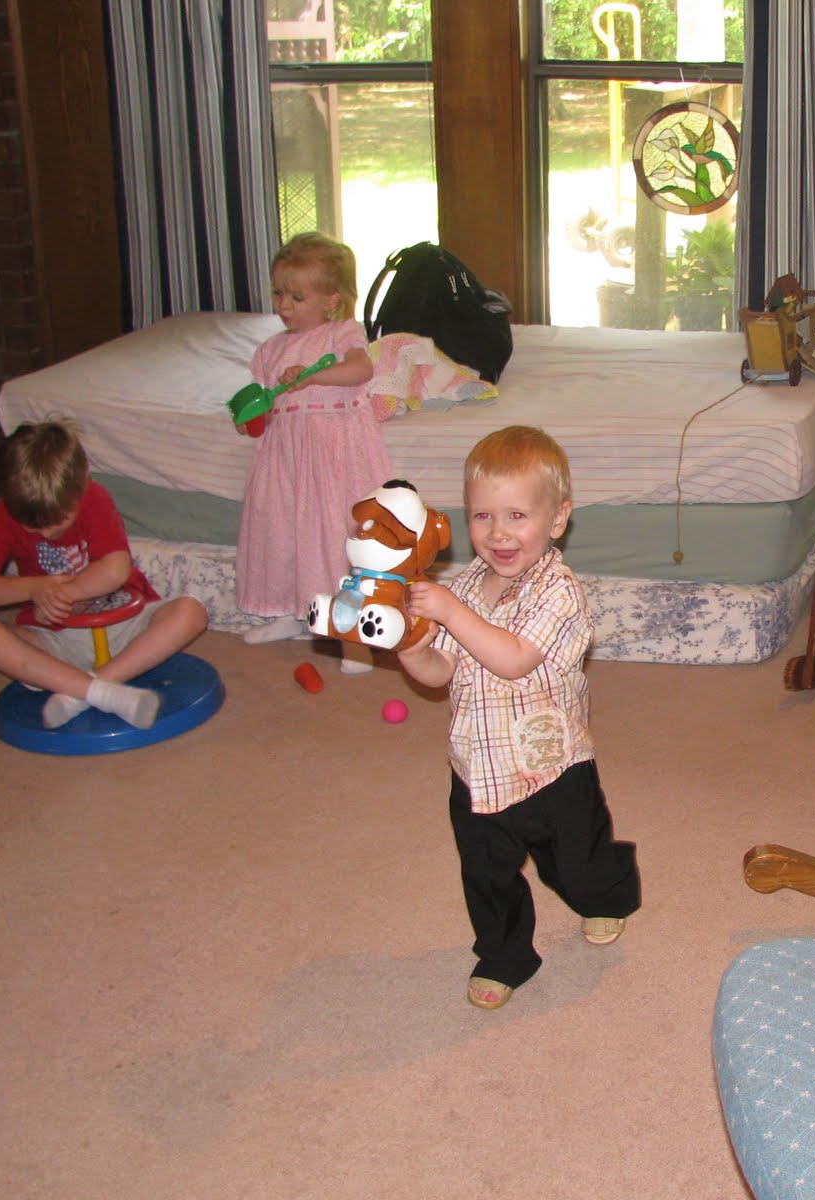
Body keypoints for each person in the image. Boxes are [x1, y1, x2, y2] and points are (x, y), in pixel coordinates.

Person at [397, 426, 641, 1010]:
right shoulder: (464, 588)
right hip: (477, 769)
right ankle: (504, 956)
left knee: (575, 866)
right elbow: (439, 673)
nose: (498, 533)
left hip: (550, 766)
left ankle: (608, 891)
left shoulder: (558, 591)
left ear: (557, 519)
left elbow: (511, 659)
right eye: (482, 516)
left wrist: (449, 612)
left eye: (516, 516)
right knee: (486, 875)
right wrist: (410, 649)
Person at [0, 420, 208, 730]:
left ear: (83, 481)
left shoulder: (94, 498)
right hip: (54, 638)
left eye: (59, 522)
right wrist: (32, 588)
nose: (47, 533)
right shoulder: (4, 514)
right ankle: (101, 692)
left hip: (123, 626)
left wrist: (61, 593)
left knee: (191, 612)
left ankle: (81, 693)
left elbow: (116, 569)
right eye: (33, 527)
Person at [237, 231, 392, 673]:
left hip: (332, 456)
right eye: (278, 294)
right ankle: (293, 611)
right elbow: (261, 408)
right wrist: (252, 416)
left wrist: (312, 376)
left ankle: (353, 638)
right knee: (283, 534)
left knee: (330, 539)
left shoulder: (341, 334)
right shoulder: (269, 350)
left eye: (297, 297)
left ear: (331, 300)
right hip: (285, 458)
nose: (284, 305)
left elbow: (360, 369)